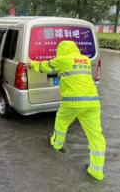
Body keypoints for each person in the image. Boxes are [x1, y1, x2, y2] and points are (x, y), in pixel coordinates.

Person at [28, 40, 106, 180]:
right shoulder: (85, 60)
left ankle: (56, 144)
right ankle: (96, 170)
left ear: (62, 50)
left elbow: (45, 66)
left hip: (73, 101)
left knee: (61, 121)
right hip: (93, 101)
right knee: (96, 136)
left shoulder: (63, 60)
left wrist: (32, 64)